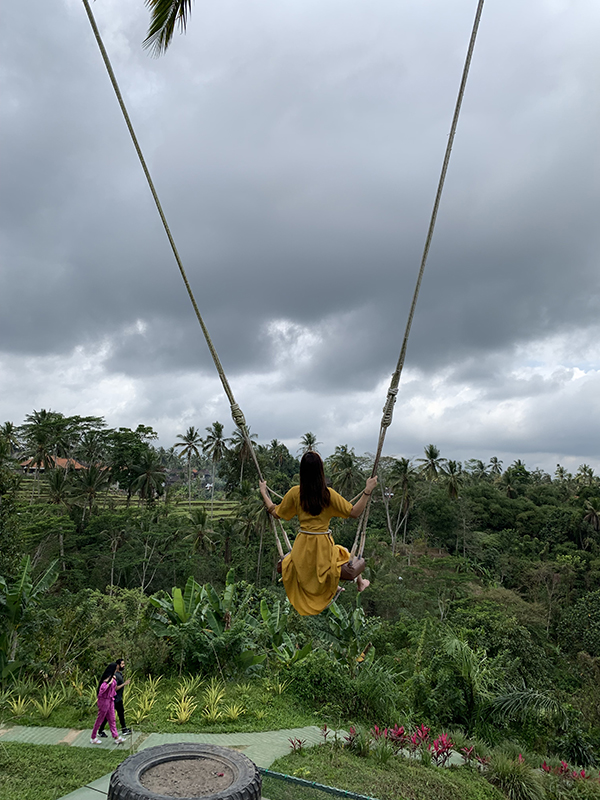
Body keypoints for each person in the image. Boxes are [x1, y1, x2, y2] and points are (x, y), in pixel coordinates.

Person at [259, 451, 377, 616]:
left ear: (302, 472)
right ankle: (360, 583)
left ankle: (336, 585)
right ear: (321, 471)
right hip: (323, 547)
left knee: (308, 565)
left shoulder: (295, 493)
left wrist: (263, 492)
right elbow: (355, 512)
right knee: (344, 553)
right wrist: (367, 491)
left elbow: (275, 512)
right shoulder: (328, 495)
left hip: (301, 548)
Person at [90, 662, 130, 745]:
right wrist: (109, 683)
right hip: (104, 701)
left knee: (112, 719)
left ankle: (116, 737)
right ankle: (93, 737)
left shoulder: (113, 677)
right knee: (100, 719)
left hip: (111, 700)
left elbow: (114, 688)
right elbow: (102, 690)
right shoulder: (106, 679)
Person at [98, 658, 131, 737]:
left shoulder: (119, 673)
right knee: (109, 715)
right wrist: (124, 684)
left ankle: (123, 729)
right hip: (114, 698)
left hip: (117, 698)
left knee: (120, 712)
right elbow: (115, 688)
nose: (124, 665)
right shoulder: (115, 676)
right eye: (122, 664)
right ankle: (101, 731)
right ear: (118, 665)